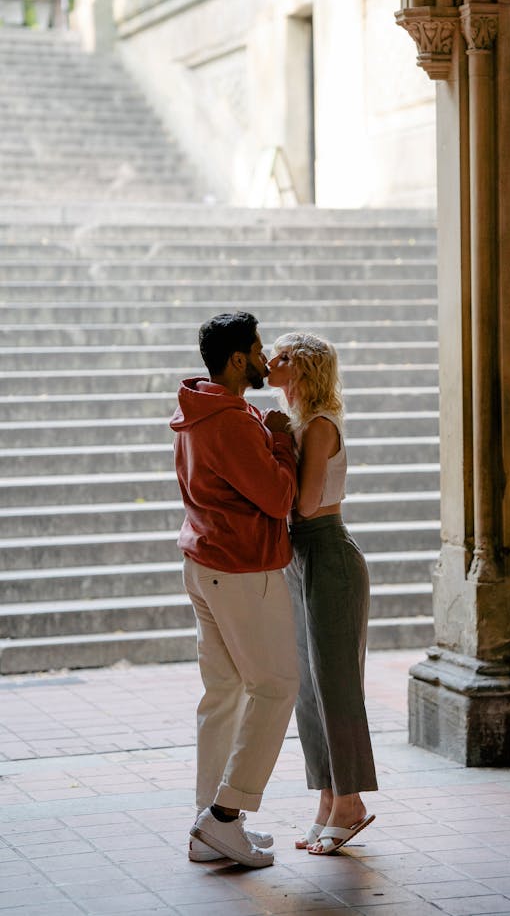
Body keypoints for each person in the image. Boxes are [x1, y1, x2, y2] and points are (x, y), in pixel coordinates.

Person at [170, 311, 300, 869]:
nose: (266, 355)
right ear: (238, 360)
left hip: (205, 562)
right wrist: (280, 443)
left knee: (223, 692)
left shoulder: (201, 409)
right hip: (242, 568)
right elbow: (277, 499)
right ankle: (224, 817)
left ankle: (211, 825)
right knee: (276, 685)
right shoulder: (234, 422)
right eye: (257, 347)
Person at [267, 331, 377, 856]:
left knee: (336, 685)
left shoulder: (317, 427)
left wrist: (270, 461)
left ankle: (350, 802)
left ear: (305, 369)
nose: (271, 361)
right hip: (299, 558)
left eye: (284, 357)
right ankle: (327, 798)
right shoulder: (295, 425)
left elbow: (306, 505)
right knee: (307, 689)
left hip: (327, 555)